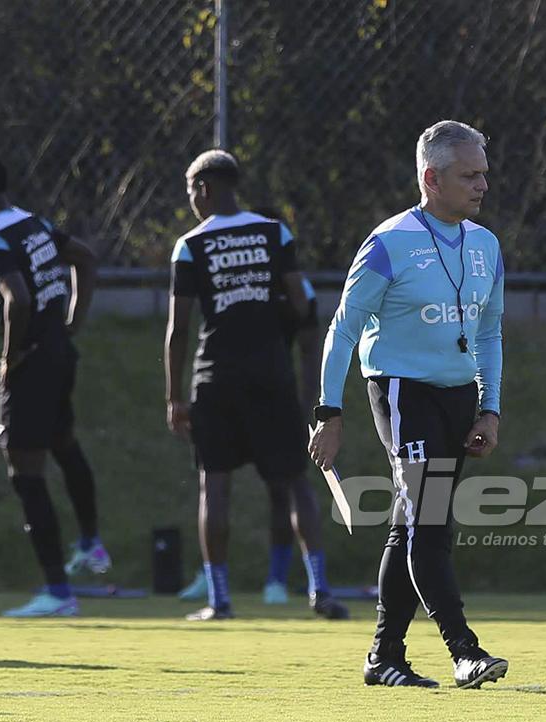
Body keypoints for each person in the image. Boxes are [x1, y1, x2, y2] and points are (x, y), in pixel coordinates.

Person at [309, 120, 507, 689]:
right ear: (431, 177)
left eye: (484, 174)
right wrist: (328, 411)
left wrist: (488, 409)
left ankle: (384, 656)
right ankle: (463, 650)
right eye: (469, 175)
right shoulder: (388, 243)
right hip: (401, 392)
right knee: (430, 521)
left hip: (458, 397)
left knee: (409, 527)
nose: (481, 186)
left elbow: (490, 333)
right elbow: (343, 330)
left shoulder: (487, 245)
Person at [164, 150, 346, 622]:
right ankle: (319, 590)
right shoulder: (272, 233)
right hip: (270, 372)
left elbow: (179, 328)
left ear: (204, 187)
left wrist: (174, 395)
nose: (192, 202)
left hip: (215, 376)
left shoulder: (190, 245)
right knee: (295, 482)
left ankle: (220, 600)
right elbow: (301, 299)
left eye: (190, 191)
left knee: (215, 484)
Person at [0, 151, 105, 617]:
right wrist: (73, 319)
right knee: (62, 441)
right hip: (60, 353)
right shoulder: (33, 223)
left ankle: (58, 593)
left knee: (24, 468)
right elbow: (85, 257)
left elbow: (16, 298)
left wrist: (9, 357)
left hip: (33, 361)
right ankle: (91, 543)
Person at [176, 209, 327, 607]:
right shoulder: (269, 267)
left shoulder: (290, 286)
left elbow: (312, 339)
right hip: (254, 381)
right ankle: (225, 590)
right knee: (271, 483)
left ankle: (275, 583)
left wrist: (310, 401)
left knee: (276, 485)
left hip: (243, 381)